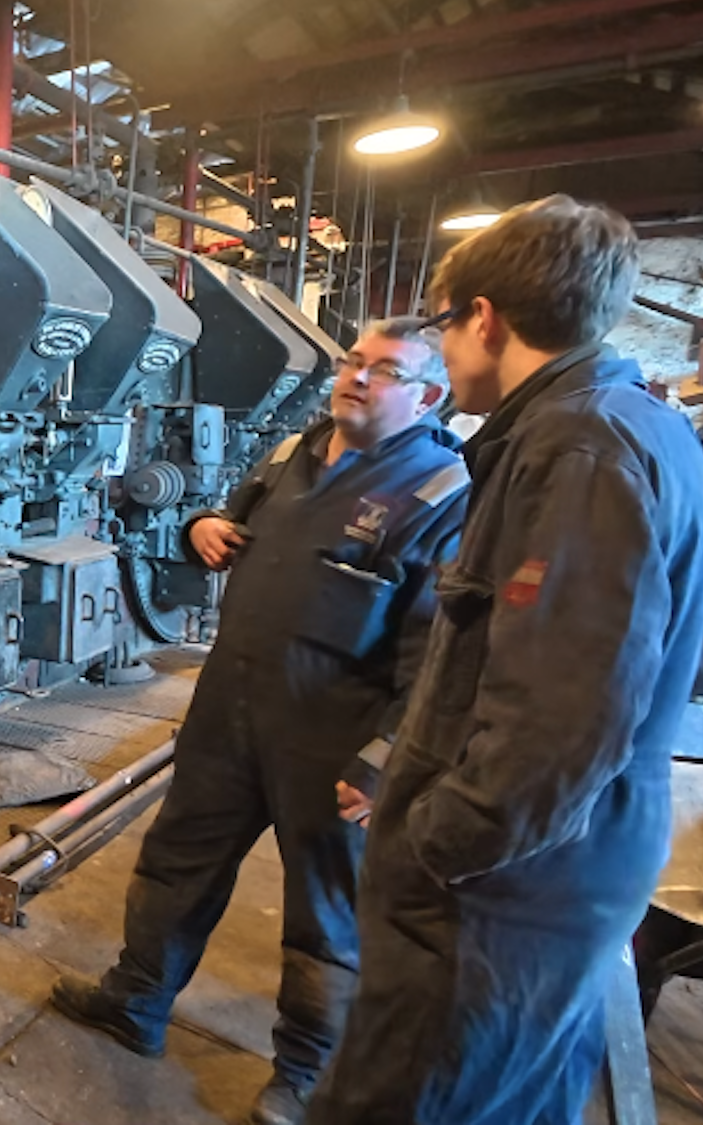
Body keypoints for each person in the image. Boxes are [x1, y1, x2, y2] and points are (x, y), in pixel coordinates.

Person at [306, 196, 703, 1125]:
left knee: (406, 1101)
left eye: (447, 327)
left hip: (502, 894)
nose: (446, 353)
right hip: (547, 873)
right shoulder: (624, 425)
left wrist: (433, 847)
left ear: (484, 317)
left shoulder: (577, 449)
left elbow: (561, 720)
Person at [51, 318, 470, 1125]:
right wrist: (200, 524)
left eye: (383, 370)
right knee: (178, 858)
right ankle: (136, 999)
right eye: (353, 360)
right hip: (228, 707)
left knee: (328, 908)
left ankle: (306, 1073)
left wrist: (387, 760)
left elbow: (441, 652)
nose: (356, 377)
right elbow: (226, 516)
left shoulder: (439, 493)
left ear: (427, 395)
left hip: (332, 736)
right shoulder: (296, 451)